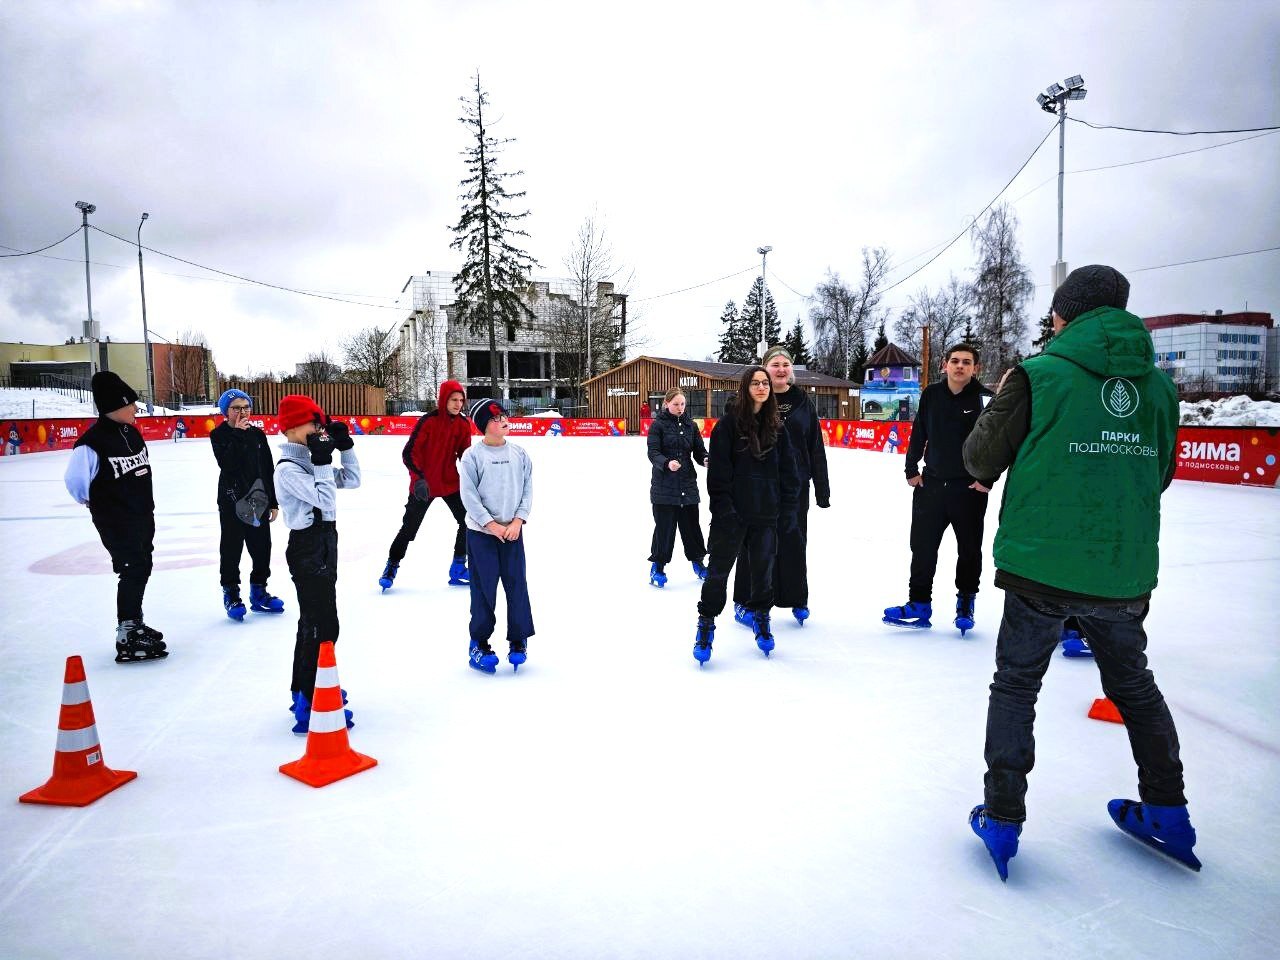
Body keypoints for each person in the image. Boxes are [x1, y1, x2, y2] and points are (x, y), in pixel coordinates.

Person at [962, 264, 1196, 880]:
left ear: (1066, 315)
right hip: (1121, 569)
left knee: (1016, 685)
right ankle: (1169, 812)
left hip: (1041, 566)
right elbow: (1162, 472)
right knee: (1135, 689)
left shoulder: (1040, 375)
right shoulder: (1161, 387)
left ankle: (1003, 815)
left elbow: (980, 456)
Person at [882, 343, 995, 635]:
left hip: (968, 489)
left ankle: (965, 604)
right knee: (922, 549)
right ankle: (919, 604)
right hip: (931, 486)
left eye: (966, 362)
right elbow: (919, 431)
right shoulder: (931, 394)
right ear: (944, 364)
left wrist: (987, 479)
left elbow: (997, 442)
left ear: (975, 368)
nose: (960, 366)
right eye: (955, 361)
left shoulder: (985, 399)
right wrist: (911, 469)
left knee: (969, 550)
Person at [693, 366, 800, 664]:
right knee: (717, 574)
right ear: (745, 387)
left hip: (766, 515)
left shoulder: (778, 428)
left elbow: (790, 473)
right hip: (733, 516)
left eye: (765, 383)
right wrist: (725, 510)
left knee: (763, 572)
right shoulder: (727, 427)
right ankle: (706, 623)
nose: (762, 387)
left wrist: (787, 510)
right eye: (755, 383)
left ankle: (762, 617)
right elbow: (718, 476)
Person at [64, 372, 167, 663]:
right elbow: (75, 481)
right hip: (116, 520)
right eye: (131, 403)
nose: (136, 408)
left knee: (142, 565)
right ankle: (127, 631)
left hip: (142, 515)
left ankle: (134, 621)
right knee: (132, 568)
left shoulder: (131, 433)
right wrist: (96, 502)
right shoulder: (92, 443)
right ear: (115, 406)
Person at [274, 394, 361, 734]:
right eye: (314, 424)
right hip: (307, 548)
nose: (318, 430)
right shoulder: (288, 470)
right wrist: (323, 460)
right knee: (322, 625)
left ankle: (307, 688)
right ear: (294, 427)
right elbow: (325, 498)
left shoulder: (311, 462)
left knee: (317, 622)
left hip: (325, 544)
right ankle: (309, 695)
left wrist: (345, 446)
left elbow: (352, 480)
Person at [732, 346, 830, 627]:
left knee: (794, 542)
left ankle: (796, 596)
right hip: (757, 488)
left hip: (795, 488)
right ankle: (745, 600)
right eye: (775, 364)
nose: (781, 369)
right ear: (764, 368)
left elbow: (815, 447)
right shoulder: (752, 400)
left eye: (786, 364)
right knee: (753, 544)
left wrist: (822, 488)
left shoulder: (803, 403)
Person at [459, 398, 535, 674]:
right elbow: (469, 497)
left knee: (517, 586)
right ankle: (478, 643)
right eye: (495, 417)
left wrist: (517, 521)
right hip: (482, 535)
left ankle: (519, 639)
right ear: (483, 426)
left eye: (503, 414)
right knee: (483, 590)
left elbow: (527, 490)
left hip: (513, 533)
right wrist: (491, 525)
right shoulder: (472, 457)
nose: (503, 419)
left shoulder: (520, 454)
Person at [378, 379, 473, 591]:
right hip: (425, 485)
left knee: (468, 520)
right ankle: (391, 566)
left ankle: (458, 567)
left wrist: (474, 479)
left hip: (450, 483)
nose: (458, 404)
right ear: (443, 400)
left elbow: (466, 457)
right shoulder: (428, 421)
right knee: (409, 527)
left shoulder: (463, 424)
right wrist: (418, 478)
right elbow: (410, 452)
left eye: (461, 400)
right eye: (453, 400)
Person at [210, 389, 283, 620]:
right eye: (236, 408)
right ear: (226, 412)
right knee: (231, 548)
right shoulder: (220, 435)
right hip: (232, 501)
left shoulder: (258, 435)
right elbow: (228, 464)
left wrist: (273, 501)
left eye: (246, 407)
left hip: (258, 500)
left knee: (262, 548)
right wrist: (238, 435)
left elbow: (267, 468)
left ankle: (259, 591)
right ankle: (231, 592)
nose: (242, 412)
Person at [646, 387, 709, 587]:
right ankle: (658, 566)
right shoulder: (658, 425)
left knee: (691, 527)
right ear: (666, 404)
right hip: (664, 487)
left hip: (688, 484)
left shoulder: (691, 425)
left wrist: (706, 459)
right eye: (676, 404)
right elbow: (653, 452)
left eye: (682, 404)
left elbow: (699, 451)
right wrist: (666, 463)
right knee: (665, 528)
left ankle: (698, 563)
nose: (680, 408)